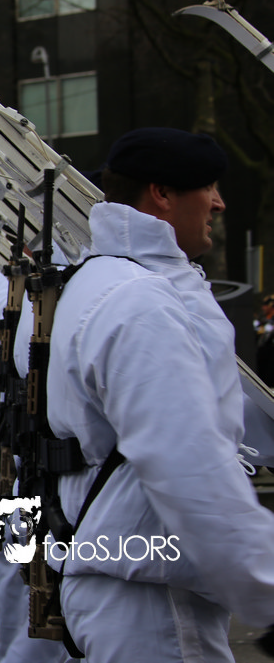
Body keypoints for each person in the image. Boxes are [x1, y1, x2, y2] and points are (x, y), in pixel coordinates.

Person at [47, 127, 274, 661]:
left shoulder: (106, 281)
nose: (218, 202)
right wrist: (266, 593)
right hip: (152, 600)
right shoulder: (140, 301)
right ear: (163, 194)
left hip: (133, 583)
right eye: (207, 186)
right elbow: (187, 461)